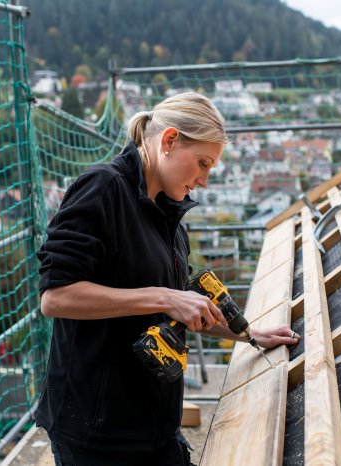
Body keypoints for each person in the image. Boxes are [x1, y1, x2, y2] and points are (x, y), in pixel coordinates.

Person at [35, 92, 301, 466]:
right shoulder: (103, 187)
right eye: (202, 163)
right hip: (98, 434)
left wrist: (247, 334)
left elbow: (182, 306)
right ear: (170, 141)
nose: (205, 181)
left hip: (154, 425)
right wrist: (164, 297)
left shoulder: (168, 214)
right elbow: (56, 297)